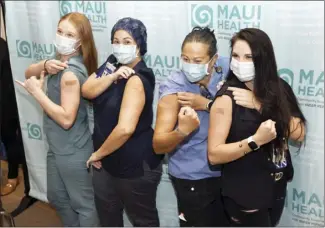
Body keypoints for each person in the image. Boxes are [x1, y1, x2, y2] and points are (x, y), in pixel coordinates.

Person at [208, 28, 306, 227]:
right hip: (246, 194)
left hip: (276, 187)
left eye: (248, 57)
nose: (240, 62)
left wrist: (260, 106)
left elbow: (299, 134)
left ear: (263, 59)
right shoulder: (227, 97)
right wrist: (254, 141)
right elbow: (214, 155)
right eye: (235, 55)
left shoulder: (280, 88)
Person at [16, 12, 99, 226]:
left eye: (69, 34)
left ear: (81, 42)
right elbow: (28, 71)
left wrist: (37, 93)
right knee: (57, 197)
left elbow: (66, 120)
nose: (62, 37)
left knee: (84, 205)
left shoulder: (71, 75)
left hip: (73, 150)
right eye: (60, 31)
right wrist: (44, 64)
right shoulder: (58, 61)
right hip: (57, 147)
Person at [83, 17, 163, 227]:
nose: (120, 46)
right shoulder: (112, 62)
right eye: (116, 40)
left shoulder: (139, 77)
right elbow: (87, 90)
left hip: (133, 166)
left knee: (143, 221)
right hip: (106, 162)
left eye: (127, 41)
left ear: (139, 45)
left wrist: (97, 153)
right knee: (108, 219)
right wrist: (112, 76)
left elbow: (125, 128)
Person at [153, 26, 233, 227]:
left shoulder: (228, 67)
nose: (190, 66)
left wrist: (206, 105)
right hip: (194, 178)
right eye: (185, 59)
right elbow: (158, 145)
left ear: (213, 60)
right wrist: (182, 131)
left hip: (229, 171)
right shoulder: (174, 88)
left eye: (197, 61)